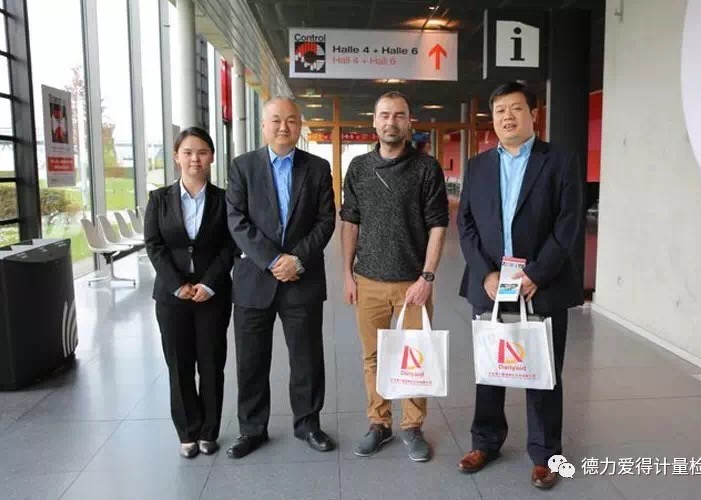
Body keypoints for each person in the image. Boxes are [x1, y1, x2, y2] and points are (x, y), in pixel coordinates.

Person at [456, 81, 584, 489]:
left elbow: (568, 223)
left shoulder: (560, 161)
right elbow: (466, 223)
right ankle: (486, 442)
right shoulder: (478, 166)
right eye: (500, 111)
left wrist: (537, 274)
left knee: (543, 370)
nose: (507, 117)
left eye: (515, 109)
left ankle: (546, 453)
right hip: (491, 285)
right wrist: (485, 273)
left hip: (542, 284)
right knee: (490, 367)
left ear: (533, 115)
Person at [340, 91, 449, 462]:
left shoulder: (426, 168)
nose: (391, 122)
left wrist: (427, 277)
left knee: (414, 355)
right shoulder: (358, 168)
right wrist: (347, 274)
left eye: (399, 115)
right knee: (372, 357)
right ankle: (379, 423)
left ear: (409, 121)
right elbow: (350, 223)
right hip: (368, 280)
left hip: (412, 284)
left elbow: (438, 225)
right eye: (384, 115)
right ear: (374, 121)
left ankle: (412, 426)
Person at [225, 97, 336, 458]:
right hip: (255, 279)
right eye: (276, 120)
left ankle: (308, 424)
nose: (283, 127)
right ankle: (252, 429)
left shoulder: (317, 168)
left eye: (290, 120)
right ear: (263, 125)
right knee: (251, 360)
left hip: (302, 278)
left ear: (299, 125)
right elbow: (236, 220)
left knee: (307, 358)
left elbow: (326, 220)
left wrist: (297, 259)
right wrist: (273, 260)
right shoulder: (242, 167)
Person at [144, 127, 235, 458]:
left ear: (211, 157)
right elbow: (154, 245)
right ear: (176, 157)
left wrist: (209, 283)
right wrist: (176, 284)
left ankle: (209, 431)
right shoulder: (159, 200)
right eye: (188, 152)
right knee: (179, 364)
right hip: (172, 297)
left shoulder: (225, 199)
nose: (195, 158)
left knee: (211, 363)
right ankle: (187, 431)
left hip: (213, 294)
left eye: (202, 152)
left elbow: (230, 245)